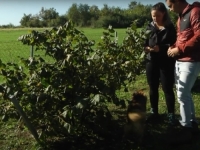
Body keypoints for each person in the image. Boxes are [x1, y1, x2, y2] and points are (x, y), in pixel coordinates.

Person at [166, 0, 200, 142]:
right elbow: (181, 37)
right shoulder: (181, 16)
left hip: (191, 61)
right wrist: (173, 46)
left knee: (181, 95)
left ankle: (185, 128)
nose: (170, 9)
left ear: (178, 1)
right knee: (185, 94)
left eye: (171, 5)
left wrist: (179, 49)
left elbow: (199, 35)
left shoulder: (195, 12)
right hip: (180, 61)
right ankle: (192, 124)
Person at [144, 2, 177, 125]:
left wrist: (161, 48)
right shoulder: (149, 27)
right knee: (152, 87)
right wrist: (146, 48)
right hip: (151, 61)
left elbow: (174, 45)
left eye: (157, 15)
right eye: (153, 16)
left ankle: (171, 115)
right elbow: (144, 43)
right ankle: (154, 112)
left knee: (167, 88)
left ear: (163, 13)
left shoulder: (170, 28)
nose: (155, 18)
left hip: (166, 62)